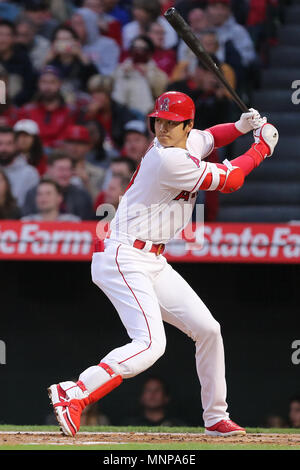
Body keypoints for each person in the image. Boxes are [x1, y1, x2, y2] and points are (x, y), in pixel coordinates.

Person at [48, 90, 279, 438]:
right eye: (159, 121)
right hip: (123, 255)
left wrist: (239, 126)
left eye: (172, 123)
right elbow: (232, 179)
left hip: (152, 258)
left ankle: (216, 417)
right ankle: (75, 392)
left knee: (208, 330)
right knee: (151, 343)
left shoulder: (187, 143)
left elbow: (212, 137)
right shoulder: (166, 159)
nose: (163, 128)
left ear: (187, 125)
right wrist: (261, 148)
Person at [22, 150, 94, 220]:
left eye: (68, 169)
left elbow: (87, 224)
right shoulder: (33, 194)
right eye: (61, 169)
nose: (65, 174)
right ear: (49, 169)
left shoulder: (81, 195)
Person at [18, 65, 76, 149]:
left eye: (52, 82)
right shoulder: (27, 110)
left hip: (59, 156)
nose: (47, 87)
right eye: (44, 82)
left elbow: (67, 139)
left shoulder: (70, 111)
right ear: (38, 84)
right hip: (33, 154)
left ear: (59, 84)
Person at [80, 74, 140, 150]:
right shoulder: (87, 111)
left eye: (100, 92)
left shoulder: (121, 111)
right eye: (93, 93)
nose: (95, 97)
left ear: (108, 94)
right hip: (97, 152)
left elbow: (128, 135)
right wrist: (89, 115)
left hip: (118, 150)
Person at [112, 35, 168, 115]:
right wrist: (123, 72)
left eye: (142, 49)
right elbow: (112, 85)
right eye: (135, 48)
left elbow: (160, 91)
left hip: (145, 112)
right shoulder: (122, 68)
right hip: (120, 110)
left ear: (150, 52)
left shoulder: (157, 72)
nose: (138, 52)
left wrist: (147, 74)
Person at [44, 25, 98, 95]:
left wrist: (81, 55)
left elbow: (94, 80)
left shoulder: (82, 61)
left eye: (66, 39)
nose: (63, 43)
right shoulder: (51, 62)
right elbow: (40, 81)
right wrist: (48, 59)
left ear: (76, 42)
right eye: (59, 40)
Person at [70, 7, 120, 76]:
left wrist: (81, 55)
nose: (74, 28)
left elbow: (110, 72)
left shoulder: (108, 45)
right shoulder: (69, 44)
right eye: (73, 24)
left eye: (79, 24)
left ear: (90, 25)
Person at [63, 124, 106, 202]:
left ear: (88, 146)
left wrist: (86, 183)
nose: (74, 147)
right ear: (64, 144)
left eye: (80, 143)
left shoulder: (99, 173)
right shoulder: (53, 169)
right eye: (71, 142)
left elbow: (102, 205)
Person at [0, 126, 40, 207]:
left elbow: (33, 206)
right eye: (0, 143)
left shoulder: (30, 174)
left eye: (9, 143)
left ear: (17, 145)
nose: (3, 149)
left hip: (19, 218)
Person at [0, 19, 37, 106]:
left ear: (14, 38)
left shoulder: (23, 59)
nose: (3, 39)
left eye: (7, 35)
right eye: (0, 34)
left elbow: (29, 87)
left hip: (16, 106)